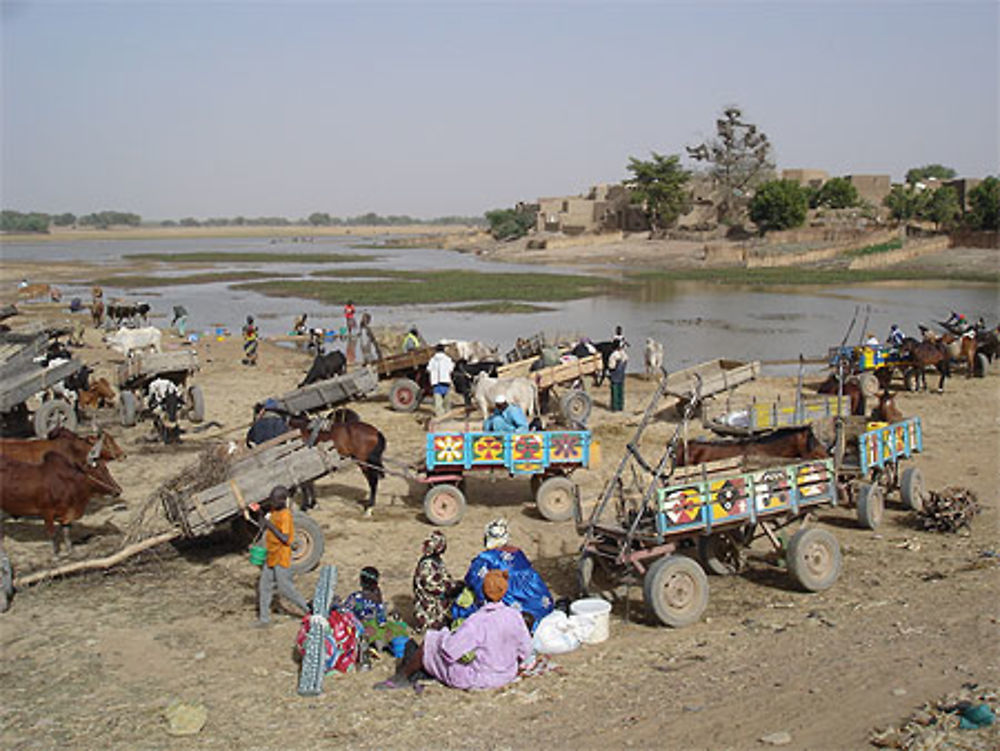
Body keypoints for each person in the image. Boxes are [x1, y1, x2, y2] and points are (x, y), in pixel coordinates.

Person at [375, 569, 532, 691]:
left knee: (430, 641)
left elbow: (450, 652)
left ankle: (402, 677)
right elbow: (526, 650)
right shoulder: (514, 616)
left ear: (483, 592)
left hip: (480, 678)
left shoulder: (478, 621)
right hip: (506, 674)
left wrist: (443, 635)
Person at [451, 518, 553, 630]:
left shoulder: (486, 558)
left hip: (506, 598)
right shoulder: (518, 553)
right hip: (536, 600)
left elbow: (473, 580)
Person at [251, 486, 310, 627]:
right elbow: (263, 525)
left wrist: (269, 525)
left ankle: (309, 611)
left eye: (275, 500)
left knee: (286, 589)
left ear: (283, 500)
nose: (272, 502)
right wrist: (259, 513)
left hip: (282, 557)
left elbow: (285, 538)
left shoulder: (285, 515)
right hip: (271, 555)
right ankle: (264, 619)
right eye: (271, 499)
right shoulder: (273, 511)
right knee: (264, 585)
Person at [412, 530, 462, 632]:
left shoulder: (436, 561)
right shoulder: (427, 565)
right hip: (429, 608)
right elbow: (435, 587)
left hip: (434, 601)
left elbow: (444, 578)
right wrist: (454, 587)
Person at [427, 343, 455, 418]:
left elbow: (428, 369)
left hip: (436, 384)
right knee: (447, 403)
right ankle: (447, 417)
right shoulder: (447, 359)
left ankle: (439, 418)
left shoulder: (432, 360)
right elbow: (451, 369)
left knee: (438, 404)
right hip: (445, 382)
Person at [607, 339, 628, 412]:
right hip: (621, 375)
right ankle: (620, 406)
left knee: (615, 392)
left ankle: (615, 407)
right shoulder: (624, 354)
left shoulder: (613, 355)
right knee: (620, 391)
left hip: (615, 375)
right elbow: (625, 362)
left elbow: (611, 366)